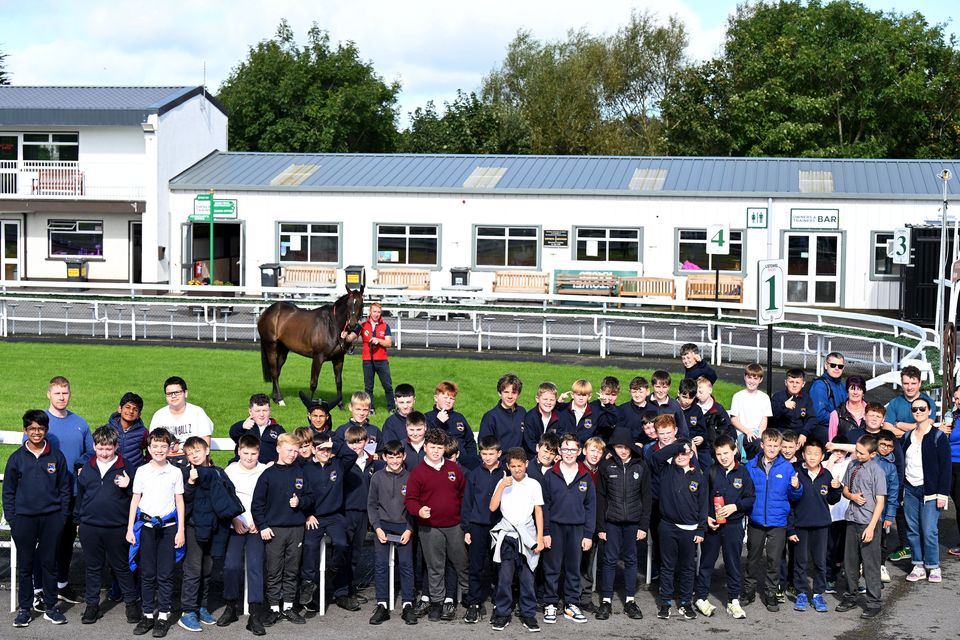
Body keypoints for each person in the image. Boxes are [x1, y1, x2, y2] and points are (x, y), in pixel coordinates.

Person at [4, 410, 71, 628]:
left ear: (46, 430)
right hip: (24, 519)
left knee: (49, 563)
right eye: (32, 429)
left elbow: (64, 489)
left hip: (51, 518)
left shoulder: (56, 457)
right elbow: (8, 492)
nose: (36, 432)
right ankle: (25, 609)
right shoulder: (16, 458)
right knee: (25, 565)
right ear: (25, 431)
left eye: (40, 428)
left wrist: (61, 517)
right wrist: (13, 519)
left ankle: (51, 608)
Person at [75, 425, 140, 626]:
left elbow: (137, 498)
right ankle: (92, 605)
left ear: (116, 447)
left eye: (108, 449)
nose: (104, 453)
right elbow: (81, 495)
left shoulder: (127, 467)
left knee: (121, 567)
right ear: (94, 446)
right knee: (93, 567)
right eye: (100, 448)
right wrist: (78, 520)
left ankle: (131, 603)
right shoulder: (87, 466)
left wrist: (128, 486)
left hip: (117, 526)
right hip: (90, 526)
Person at [404, 428, 470, 622]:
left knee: (461, 561)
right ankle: (437, 603)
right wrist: (418, 510)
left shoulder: (453, 468)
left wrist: (462, 518)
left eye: (439, 448)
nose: (435, 451)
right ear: (425, 447)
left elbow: (463, 494)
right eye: (432, 447)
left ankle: (470, 598)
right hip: (429, 527)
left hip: (454, 525)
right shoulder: (417, 472)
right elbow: (410, 500)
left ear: (444, 449)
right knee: (435, 566)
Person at [126, 427, 186, 638]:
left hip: (169, 529)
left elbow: (179, 501)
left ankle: (163, 616)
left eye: (163, 446)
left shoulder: (175, 472)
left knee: (166, 574)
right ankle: (148, 614)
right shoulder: (142, 471)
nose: (159, 450)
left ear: (169, 448)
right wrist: (130, 528)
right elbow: (136, 499)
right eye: (155, 446)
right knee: (148, 573)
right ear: (149, 448)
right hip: (147, 529)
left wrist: (181, 531)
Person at [178, 436, 241, 632]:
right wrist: (190, 482)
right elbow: (182, 499)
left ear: (206, 451)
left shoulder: (219, 472)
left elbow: (228, 496)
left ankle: (201, 606)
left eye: (197, 451)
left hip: (215, 527)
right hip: (194, 526)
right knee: (193, 569)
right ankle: (188, 610)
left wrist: (234, 519)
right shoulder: (186, 473)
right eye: (189, 453)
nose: (194, 455)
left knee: (207, 569)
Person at [251, 433, 313, 626]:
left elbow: (311, 498)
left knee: (292, 569)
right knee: (274, 569)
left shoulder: (301, 473)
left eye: (296, 451)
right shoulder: (268, 475)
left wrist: (300, 502)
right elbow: (257, 504)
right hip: (274, 529)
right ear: (278, 449)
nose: (293, 454)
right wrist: (263, 526)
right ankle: (273, 607)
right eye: (289, 450)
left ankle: (287, 605)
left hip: (296, 528)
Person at [44, 375, 93, 606]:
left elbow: (90, 452)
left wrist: (81, 463)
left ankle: (62, 584)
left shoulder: (80, 423)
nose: (61, 397)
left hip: (74, 493)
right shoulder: (41, 424)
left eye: (65, 393)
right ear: (49, 395)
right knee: (47, 541)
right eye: (57, 393)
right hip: (48, 493)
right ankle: (42, 587)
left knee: (66, 540)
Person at [741, 428, 802, 612]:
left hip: (778, 522)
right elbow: (744, 491)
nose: (773, 448)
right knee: (752, 558)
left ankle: (771, 593)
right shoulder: (750, 466)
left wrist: (796, 487)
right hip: (756, 519)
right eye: (770, 445)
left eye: (777, 446)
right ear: (762, 445)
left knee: (774, 560)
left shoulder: (787, 467)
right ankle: (749, 590)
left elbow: (794, 496)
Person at [694, 434, 754, 620]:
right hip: (713, 526)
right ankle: (701, 598)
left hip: (734, 526)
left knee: (733, 563)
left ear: (735, 450)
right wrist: (707, 518)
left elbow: (750, 498)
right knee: (706, 563)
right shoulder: (711, 471)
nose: (723, 457)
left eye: (726, 453)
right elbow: (701, 499)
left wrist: (736, 506)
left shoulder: (743, 473)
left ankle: (733, 601)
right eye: (719, 454)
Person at [540, 432, 596, 625]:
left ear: (579, 451)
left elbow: (590, 507)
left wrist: (588, 534)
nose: (569, 453)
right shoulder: (550, 475)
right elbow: (544, 505)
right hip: (554, 527)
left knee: (574, 568)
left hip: (577, 528)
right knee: (552, 567)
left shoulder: (585, 476)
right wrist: (545, 531)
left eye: (573, 449)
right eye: (565, 449)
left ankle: (571, 604)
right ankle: (550, 603)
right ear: (560, 451)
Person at [595, 429, 651, 621]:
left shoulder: (641, 466)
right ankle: (606, 601)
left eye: (626, 447)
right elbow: (601, 498)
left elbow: (647, 497)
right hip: (611, 522)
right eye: (619, 447)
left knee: (631, 560)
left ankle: (629, 600)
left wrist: (643, 526)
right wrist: (601, 526)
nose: (623, 451)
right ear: (613, 448)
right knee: (609, 560)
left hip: (633, 523)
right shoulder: (606, 466)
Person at [298, 431, 357, 613]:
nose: (325, 452)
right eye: (321, 449)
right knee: (309, 544)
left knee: (341, 543)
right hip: (314, 516)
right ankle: (308, 584)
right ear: (314, 450)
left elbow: (351, 454)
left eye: (328, 449)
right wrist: (308, 514)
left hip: (334, 516)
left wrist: (334, 442)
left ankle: (332, 569)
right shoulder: (305, 469)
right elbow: (302, 495)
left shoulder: (338, 465)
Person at [489, 447, 545, 632]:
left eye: (520, 466)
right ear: (508, 466)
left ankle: (528, 613)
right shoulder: (503, 483)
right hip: (508, 535)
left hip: (527, 536)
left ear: (526, 464)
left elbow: (538, 511)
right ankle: (503, 613)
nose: (517, 470)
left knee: (528, 576)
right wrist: (503, 485)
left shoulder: (534, 484)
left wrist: (539, 538)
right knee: (504, 577)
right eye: (513, 466)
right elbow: (492, 507)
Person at [654, 438, 707, 621]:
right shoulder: (666, 470)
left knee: (687, 567)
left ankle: (685, 602)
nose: (680, 456)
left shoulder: (698, 476)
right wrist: (677, 447)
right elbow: (656, 458)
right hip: (668, 526)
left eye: (684, 453)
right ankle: (666, 602)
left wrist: (701, 529)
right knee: (667, 566)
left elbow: (703, 505)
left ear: (692, 455)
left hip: (690, 530)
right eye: (677, 453)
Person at [221, 434, 269, 635]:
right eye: (246, 453)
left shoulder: (265, 471)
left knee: (256, 566)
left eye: (253, 453)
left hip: (256, 527)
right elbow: (224, 498)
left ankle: (255, 613)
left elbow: (270, 500)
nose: (249, 457)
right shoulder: (230, 471)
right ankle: (231, 606)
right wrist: (234, 519)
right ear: (239, 451)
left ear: (259, 453)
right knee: (231, 565)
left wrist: (261, 522)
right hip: (236, 525)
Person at [787, 439, 842, 613]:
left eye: (816, 454)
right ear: (803, 455)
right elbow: (790, 502)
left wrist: (837, 489)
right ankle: (802, 592)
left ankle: (818, 593)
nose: (812, 457)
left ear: (822, 456)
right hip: (801, 525)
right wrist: (791, 528)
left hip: (821, 525)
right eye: (809, 453)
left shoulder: (826, 475)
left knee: (820, 561)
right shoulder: (796, 473)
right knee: (800, 561)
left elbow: (832, 499)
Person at [367, 440, 418, 625]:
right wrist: (377, 527)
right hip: (382, 526)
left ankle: (407, 604)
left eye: (398, 456)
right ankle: (382, 604)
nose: (395, 460)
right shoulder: (377, 477)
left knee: (406, 565)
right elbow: (371, 505)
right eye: (391, 457)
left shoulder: (411, 477)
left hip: (404, 527)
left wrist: (410, 529)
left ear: (404, 456)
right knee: (381, 565)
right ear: (384, 457)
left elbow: (414, 507)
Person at [835, 435, 886, 618]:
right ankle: (850, 595)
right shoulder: (852, 465)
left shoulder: (877, 471)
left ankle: (873, 602)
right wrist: (852, 497)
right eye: (856, 450)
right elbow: (845, 489)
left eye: (861, 452)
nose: (856, 454)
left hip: (868, 522)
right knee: (850, 563)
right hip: (852, 520)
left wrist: (872, 527)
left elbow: (880, 502)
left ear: (872, 454)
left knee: (870, 564)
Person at [901, 397, 951, 584]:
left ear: (929, 411)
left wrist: (942, 494)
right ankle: (918, 564)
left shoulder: (938, 437)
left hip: (931, 491)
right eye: (915, 410)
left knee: (929, 529)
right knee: (912, 529)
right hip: (910, 488)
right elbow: (901, 463)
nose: (919, 412)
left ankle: (933, 565)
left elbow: (945, 467)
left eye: (922, 409)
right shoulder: (907, 437)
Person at [461, 435, 506, 622]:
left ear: (499, 454)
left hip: (499, 526)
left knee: (499, 566)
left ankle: (498, 602)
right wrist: (467, 528)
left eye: (491, 453)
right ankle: (474, 602)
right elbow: (467, 503)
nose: (487, 457)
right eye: (484, 453)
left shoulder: (505, 474)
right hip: (477, 525)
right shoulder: (474, 474)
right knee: (476, 566)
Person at [343, 302, 395, 415]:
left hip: (382, 360)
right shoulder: (362, 325)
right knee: (369, 387)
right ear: (370, 312)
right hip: (367, 360)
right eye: (374, 311)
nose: (376, 314)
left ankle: (392, 407)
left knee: (387, 385)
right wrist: (345, 336)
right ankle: (370, 408)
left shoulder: (385, 326)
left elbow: (389, 343)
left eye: (378, 312)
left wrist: (378, 340)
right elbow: (351, 337)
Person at [148, 376, 213, 465]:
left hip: (193, 462)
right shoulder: (159, 415)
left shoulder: (198, 413)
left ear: (185, 393)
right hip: (166, 463)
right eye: (169, 394)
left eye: (177, 392)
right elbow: (153, 444)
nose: (173, 396)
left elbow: (205, 443)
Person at [427, 381, 479, 468]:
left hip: (462, 461)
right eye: (445, 397)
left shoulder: (459, 417)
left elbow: (470, 441)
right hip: (439, 462)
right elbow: (427, 439)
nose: (448, 401)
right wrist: (438, 422)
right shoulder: (428, 417)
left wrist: (471, 457)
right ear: (436, 398)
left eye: (452, 398)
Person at [729, 363, 772, 461]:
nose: (752, 381)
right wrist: (748, 431)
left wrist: (760, 435)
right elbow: (734, 419)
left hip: (758, 434)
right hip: (743, 433)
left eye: (755, 378)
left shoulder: (764, 398)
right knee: (758, 445)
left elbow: (764, 419)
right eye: (749, 377)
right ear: (745, 377)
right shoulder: (738, 396)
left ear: (760, 380)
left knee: (770, 444)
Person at [229, 394, 285, 464]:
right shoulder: (245, 427)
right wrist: (241, 425)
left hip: (268, 467)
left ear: (270, 411)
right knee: (232, 465)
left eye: (265, 410)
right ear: (250, 411)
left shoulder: (278, 429)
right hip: (245, 465)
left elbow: (285, 449)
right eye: (257, 411)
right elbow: (232, 433)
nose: (261, 415)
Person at [883, 366, 936, 438]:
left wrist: (899, 425)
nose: (909, 387)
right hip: (901, 444)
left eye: (913, 383)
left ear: (919, 383)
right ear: (901, 383)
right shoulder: (894, 403)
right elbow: (887, 429)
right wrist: (910, 434)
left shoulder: (929, 402)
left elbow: (926, 427)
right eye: (906, 383)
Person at [479, 373, 527, 453]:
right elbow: (485, 446)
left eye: (514, 392)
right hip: (500, 461)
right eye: (506, 392)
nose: (510, 396)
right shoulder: (491, 416)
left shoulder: (522, 412)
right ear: (499, 393)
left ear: (518, 394)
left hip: (520, 461)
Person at [810, 353, 848, 444]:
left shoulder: (842, 386)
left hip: (840, 426)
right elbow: (819, 415)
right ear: (826, 366)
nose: (836, 368)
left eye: (840, 366)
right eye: (833, 365)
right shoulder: (820, 385)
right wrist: (841, 421)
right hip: (825, 428)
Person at [770, 369, 814, 446]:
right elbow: (772, 416)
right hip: (781, 434)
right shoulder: (778, 397)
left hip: (799, 434)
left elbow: (812, 418)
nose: (794, 385)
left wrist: (804, 433)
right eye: (791, 382)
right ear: (786, 382)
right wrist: (784, 406)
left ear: (803, 384)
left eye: (797, 382)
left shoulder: (806, 399)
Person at [106, 391, 148, 469]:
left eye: (135, 409)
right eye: (127, 407)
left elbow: (151, 449)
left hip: (135, 475)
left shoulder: (143, 432)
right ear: (119, 409)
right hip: (111, 473)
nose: (131, 411)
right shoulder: (107, 429)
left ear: (139, 414)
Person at [941, 387, 960, 557]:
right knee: (956, 502)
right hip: (949, 463)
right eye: (956, 398)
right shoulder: (952, 416)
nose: (957, 402)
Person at [827, 376, 868, 443]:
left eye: (859, 389)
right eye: (852, 389)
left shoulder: (871, 412)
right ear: (847, 391)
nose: (855, 392)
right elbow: (832, 443)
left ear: (863, 392)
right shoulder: (836, 414)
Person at [523, 382, 561, 455]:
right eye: (545, 399)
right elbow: (529, 441)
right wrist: (541, 453)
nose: (548, 402)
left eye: (552, 400)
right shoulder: (530, 417)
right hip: (533, 455)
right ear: (537, 399)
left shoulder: (559, 417)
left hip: (552, 455)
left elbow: (560, 438)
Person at [650, 371, 688, 438]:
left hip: (669, 442)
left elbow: (683, 429)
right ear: (652, 386)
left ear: (669, 387)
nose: (661, 390)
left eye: (664, 387)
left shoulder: (674, 405)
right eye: (658, 387)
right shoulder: (646, 402)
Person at [617, 376, 652, 443]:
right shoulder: (622, 409)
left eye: (640, 392)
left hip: (648, 444)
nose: (637, 395)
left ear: (647, 392)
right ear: (630, 392)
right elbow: (620, 431)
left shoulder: (653, 410)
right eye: (634, 392)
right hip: (627, 444)